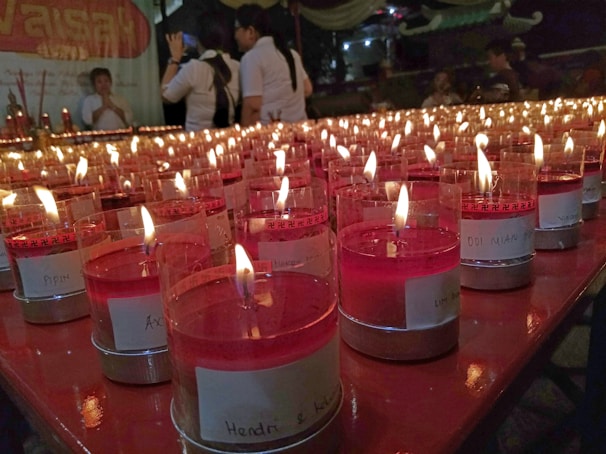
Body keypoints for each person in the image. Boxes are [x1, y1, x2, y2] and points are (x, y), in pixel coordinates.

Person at [234, 4, 312, 126]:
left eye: (236, 29)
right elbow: (307, 89)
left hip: (272, 136)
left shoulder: (251, 58)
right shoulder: (291, 54)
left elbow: (253, 106)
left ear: (250, 32)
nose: (235, 36)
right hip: (302, 131)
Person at [162, 13, 240, 131]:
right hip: (228, 141)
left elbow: (166, 96)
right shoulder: (237, 66)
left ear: (198, 40)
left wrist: (175, 59)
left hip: (197, 143)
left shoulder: (193, 68)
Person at [470, 39, 521, 103]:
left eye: (490, 57)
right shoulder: (516, 75)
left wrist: (481, 94)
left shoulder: (501, 78)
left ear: (502, 56)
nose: (489, 62)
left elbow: (496, 98)